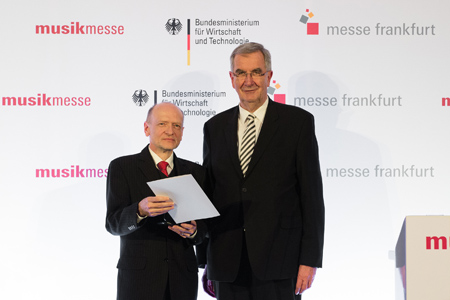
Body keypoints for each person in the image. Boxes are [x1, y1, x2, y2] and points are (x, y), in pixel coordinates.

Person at [201, 42, 325, 299]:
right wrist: (205, 260)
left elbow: (311, 197)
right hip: (226, 263)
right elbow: (210, 194)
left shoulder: (298, 123)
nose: (248, 81)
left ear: (269, 76)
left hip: (281, 263)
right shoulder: (214, 127)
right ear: (232, 78)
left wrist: (309, 260)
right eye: (241, 73)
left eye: (256, 72)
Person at [106, 102, 207, 300]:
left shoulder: (196, 172)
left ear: (183, 131)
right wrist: (139, 211)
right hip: (139, 280)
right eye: (162, 124)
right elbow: (113, 224)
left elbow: (206, 228)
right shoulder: (123, 167)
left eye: (177, 126)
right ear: (147, 128)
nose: (170, 131)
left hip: (182, 280)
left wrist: (195, 231)